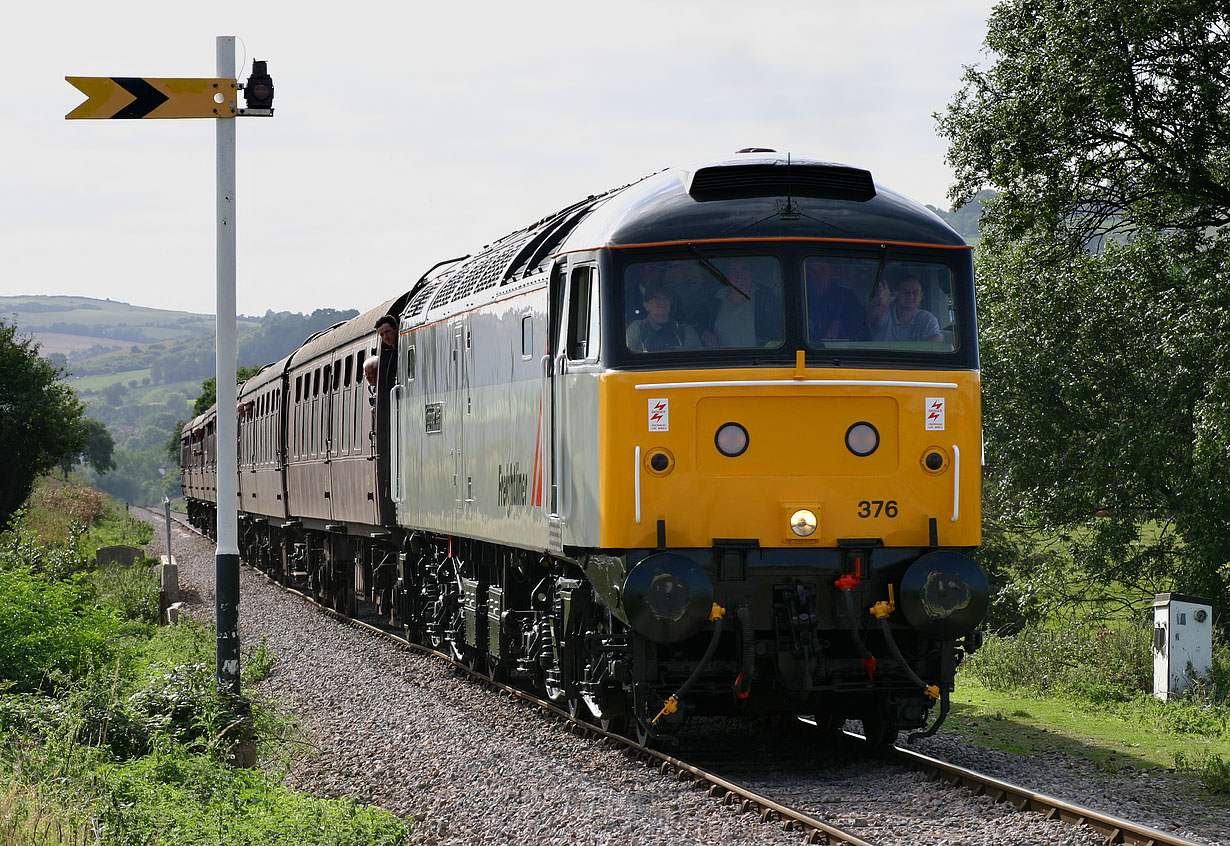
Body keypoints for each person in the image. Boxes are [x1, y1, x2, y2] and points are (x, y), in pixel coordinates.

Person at [706, 258, 783, 348]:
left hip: (760, 360)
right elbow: (698, 322)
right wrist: (705, 332)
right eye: (733, 270)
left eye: (745, 269)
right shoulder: (712, 300)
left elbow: (778, 331)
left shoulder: (767, 298)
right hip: (722, 361)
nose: (739, 275)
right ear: (726, 275)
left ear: (752, 273)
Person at [804, 259, 866, 341]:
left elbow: (862, 321)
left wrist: (839, 322)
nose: (818, 276)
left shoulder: (847, 296)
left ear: (831, 272)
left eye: (823, 271)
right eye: (813, 271)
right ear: (807, 274)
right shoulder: (801, 296)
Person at [867, 275, 943, 342]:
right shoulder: (885, 314)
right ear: (896, 294)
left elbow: (937, 340)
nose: (910, 296)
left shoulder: (927, 318)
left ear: (921, 296)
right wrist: (883, 306)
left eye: (915, 292)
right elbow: (874, 318)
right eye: (905, 292)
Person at [626, 285, 702, 352]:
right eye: (656, 299)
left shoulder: (685, 329)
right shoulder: (637, 327)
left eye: (666, 299)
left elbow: (695, 351)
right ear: (646, 305)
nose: (662, 302)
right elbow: (627, 351)